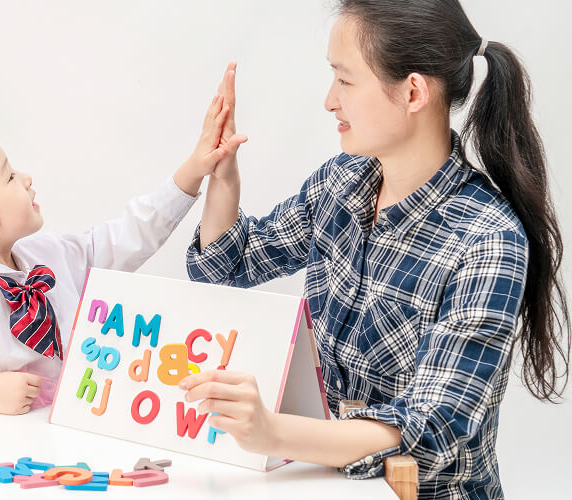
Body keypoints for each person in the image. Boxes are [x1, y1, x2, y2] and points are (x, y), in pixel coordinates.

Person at [181, 2, 570, 498]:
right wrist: (224, 179)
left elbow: (431, 428)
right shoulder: (341, 184)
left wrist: (272, 431)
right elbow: (228, 266)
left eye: (344, 81)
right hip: (325, 485)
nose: (329, 100)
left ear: (413, 92)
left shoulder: (487, 240)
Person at [0, 94, 247, 415]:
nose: (26, 178)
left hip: (81, 432)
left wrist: (194, 171)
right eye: (9, 176)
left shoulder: (48, 255)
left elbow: (129, 236)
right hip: (11, 460)